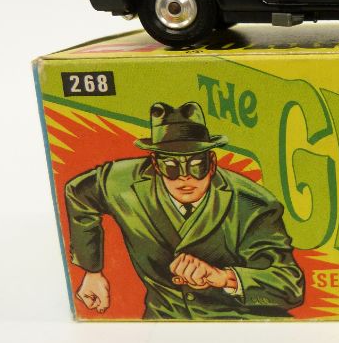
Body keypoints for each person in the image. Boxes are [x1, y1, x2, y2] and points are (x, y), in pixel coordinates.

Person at [65, 101, 304, 320]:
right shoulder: (123, 182)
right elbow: (79, 192)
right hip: (164, 324)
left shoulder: (252, 204)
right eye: (171, 166)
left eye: (196, 165)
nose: (185, 177)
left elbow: (290, 286)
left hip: (245, 323)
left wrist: (223, 277)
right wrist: (92, 271)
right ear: (155, 165)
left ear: (212, 163)